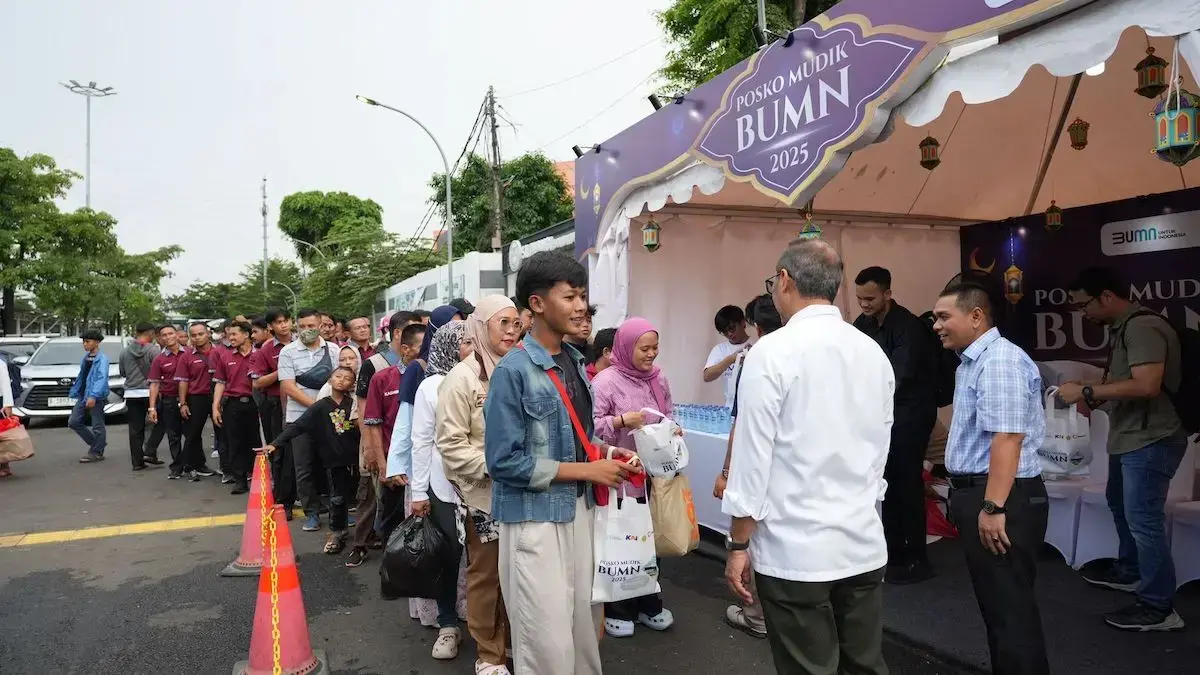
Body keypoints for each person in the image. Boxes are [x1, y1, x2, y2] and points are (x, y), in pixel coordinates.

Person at [723, 239, 893, 675]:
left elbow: (752, 459)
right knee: (864, 665)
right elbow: (879, 451)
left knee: (808, 667)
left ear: (784, 280)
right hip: (862, 540)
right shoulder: (872, 352)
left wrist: (738, 544)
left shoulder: (771, 352)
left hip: (795, 549)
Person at [486, 251, 640, 674]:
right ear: (536, 304)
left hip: (578, 511)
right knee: (545, 642)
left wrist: (607, 454)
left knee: (584, 631)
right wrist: (587, 471)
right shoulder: (512, 371)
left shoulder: (575, 361)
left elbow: (575, 437)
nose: (580, 307)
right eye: (570, 297)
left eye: (583, 297)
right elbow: (503, 462)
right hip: (535, 521)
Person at [1059, 267, 1188, 631]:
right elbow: (1124, 382)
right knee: (1122, 504)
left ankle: (1158, 607)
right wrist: (1091, 394)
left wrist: (1086, 392)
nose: (1083, 313)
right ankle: (1131, 571)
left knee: (1144, 521)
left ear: (1106, 297)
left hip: (1151, 440)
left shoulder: (1142, 327)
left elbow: (1147, 385)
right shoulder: (1123, 329)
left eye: (1084, 305)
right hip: (1130, 437)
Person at [932, 282, 1050, 674]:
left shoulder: (999, 360)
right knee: (1001, 609)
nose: (936, 325)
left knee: (1010, 612)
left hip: (1001, 496)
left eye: (944, 317)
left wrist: (992, 506)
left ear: (977, 317)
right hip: (986, 494)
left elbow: (1008, 437)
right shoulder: (973, 361)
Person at [435, 296, 518, 674]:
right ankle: (488, 654)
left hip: (524, 493)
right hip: (484, 496)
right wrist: (498, 466)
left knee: (519, 573)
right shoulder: (462, 378)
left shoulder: (519, 369)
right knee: (486, 575)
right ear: (480, 326)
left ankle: (515, 642)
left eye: (516, 323)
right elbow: (450, 444)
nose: (512, 331)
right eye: (503, 323)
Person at [853, 266, 941, 584]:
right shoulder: (861, 324)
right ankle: (892, 550)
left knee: (907, 482)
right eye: (860, 298)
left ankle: (917, 557)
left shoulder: (908, 327)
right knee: (886, 483)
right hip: (880, 414)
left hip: (910, 413)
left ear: (888, 294)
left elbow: (898, 377)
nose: (863, 304)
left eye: (870, 298)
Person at [591, 317, 678, 638]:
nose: (652, 354)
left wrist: (672, 428)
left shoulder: (659, 378)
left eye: (655, 347)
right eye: (645, 348)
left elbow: (669, 411)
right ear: (626, 348)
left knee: (649, 541)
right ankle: (617, 607)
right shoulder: (604, 382)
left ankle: (648, 602)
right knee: (621, 542)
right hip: (618, 478)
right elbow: (590, 429)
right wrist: (620, 421)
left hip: (653, 476)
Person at [714, 293, 782, 639]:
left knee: (752, 539)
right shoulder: (840, 351)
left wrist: (726, 472)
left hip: (763, 466)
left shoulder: (758, 358)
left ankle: (756, 615)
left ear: (754, 325)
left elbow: (742, 424)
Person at [408, 320, 472, 659]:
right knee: (447, 556)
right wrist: (419, 493)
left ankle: (489, 626)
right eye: (465, 343)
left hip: (485, 486)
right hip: (444, 487)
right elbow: (420, 442)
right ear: (448, 347)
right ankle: (448, 624)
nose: (472, 348)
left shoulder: (494, 379)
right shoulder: (431, 386)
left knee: (485, 560)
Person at [260, 366, 361, 554]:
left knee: (354, 496)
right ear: (329, 380)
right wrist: (276, 443)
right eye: (338, 376)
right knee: (337, 497)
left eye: (347, 378)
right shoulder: (321, 406)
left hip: (354, 459)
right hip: (333, 460)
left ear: (352, 384)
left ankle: (358, 531)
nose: (341, 380)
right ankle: (337, 532)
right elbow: (299, 425)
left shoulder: (353, 404)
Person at [384, 305, 460, 535]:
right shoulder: (420, 368)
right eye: (452, 326)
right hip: (427, 466)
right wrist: (396, 463)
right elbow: (407, 420)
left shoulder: (471, 367)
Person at [278, 309, 342, 529]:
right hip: (300, 418)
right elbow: (288, 387)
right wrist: (318, 408)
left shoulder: (333, 350)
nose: (307, 330)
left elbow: (340, 380)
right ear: (297, 327)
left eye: (311, 326)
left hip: (330, 417)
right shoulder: (288, 352)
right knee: (303, 467)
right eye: (303, 326)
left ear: (321, 325)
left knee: (333, 464)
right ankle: (311, 512)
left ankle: (338, 512)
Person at [250, 307, 295, 502]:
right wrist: (282, 371)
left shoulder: (303, 343)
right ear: (270, 327)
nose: (283, 325)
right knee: (279, 450)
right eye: (278, 322)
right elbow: (257, 382)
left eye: (286, 320)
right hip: (276, 404)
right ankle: (283, 499)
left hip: (302, 401)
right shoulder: (266, 349)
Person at [211, 320, 259, 495]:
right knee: (234, 442)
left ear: (246, 335)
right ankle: (239, 480)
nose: (230, 337)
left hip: (256, 404)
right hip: (233, 404)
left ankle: (258, 477)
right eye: (229, 334)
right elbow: (220, 383)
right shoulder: (226, 356)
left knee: (255, 442)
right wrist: (215, 407)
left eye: (234, 334)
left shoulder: (259, 354)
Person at [176, 322, 220, 481]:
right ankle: (192, 466)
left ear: (208, 333)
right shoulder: (186, 356)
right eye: (193, 335)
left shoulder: (220, 351)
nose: (197, 338)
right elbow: (183, 381)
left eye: (200, 334)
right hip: (196, 398)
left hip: (218, 397)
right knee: (193, 434)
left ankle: (229, 468)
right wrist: (183, 403)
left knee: (223, 433)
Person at [119, 323, 164, 471]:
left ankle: (137, 462)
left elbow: (123, 372)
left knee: (135, 429)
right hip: (150, 392)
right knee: (159, 422)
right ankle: (150, 451)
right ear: (150, 333)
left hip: (131, 393)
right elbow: (160, 370)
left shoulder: (125, 351)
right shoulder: (153, 350)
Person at [147, 325, 190, 479]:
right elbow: (154, 383)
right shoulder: (159, 359)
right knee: (173, 435)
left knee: (192, 435)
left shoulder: (191, 353)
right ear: (160, 338)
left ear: (177, 335)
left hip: (190, 399)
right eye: (163, 335)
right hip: (169, 400)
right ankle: (177, 467)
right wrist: (152, 408)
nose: (167, 337)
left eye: (170, 333)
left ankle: (193, 465)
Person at [70, 330, 111, 463]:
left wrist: (93, 395)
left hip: (95, 396)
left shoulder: (102, 359)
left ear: (97, 342)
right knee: (74, 421)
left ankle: (96, 452)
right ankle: (97, 444)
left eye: (87, 341)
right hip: (84, 395)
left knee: (97, 424)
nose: (85, 344)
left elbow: (101, 378)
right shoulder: (87, 357)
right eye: (83, 342)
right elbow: (83, 376)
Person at [702, 305, 750, 409]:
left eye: (732, 328)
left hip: (753, 406)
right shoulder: (720, 349)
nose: (729, 334)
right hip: (730, 408)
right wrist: (731, 359)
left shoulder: (756, 344)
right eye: (724, 332)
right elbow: (707, 376)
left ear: (743, 323)